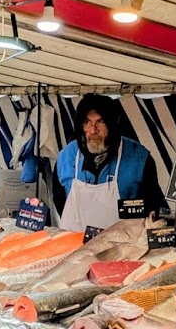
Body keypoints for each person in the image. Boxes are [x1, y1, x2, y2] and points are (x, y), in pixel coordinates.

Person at [52, 93, 167, 231]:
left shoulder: (139, 159)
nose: (93, 130)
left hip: (122, 246)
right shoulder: (65, 158)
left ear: (113, 124)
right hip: (74, 242)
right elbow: (60, 202)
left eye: (101, 122)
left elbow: (151, 208)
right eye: (87, 122)